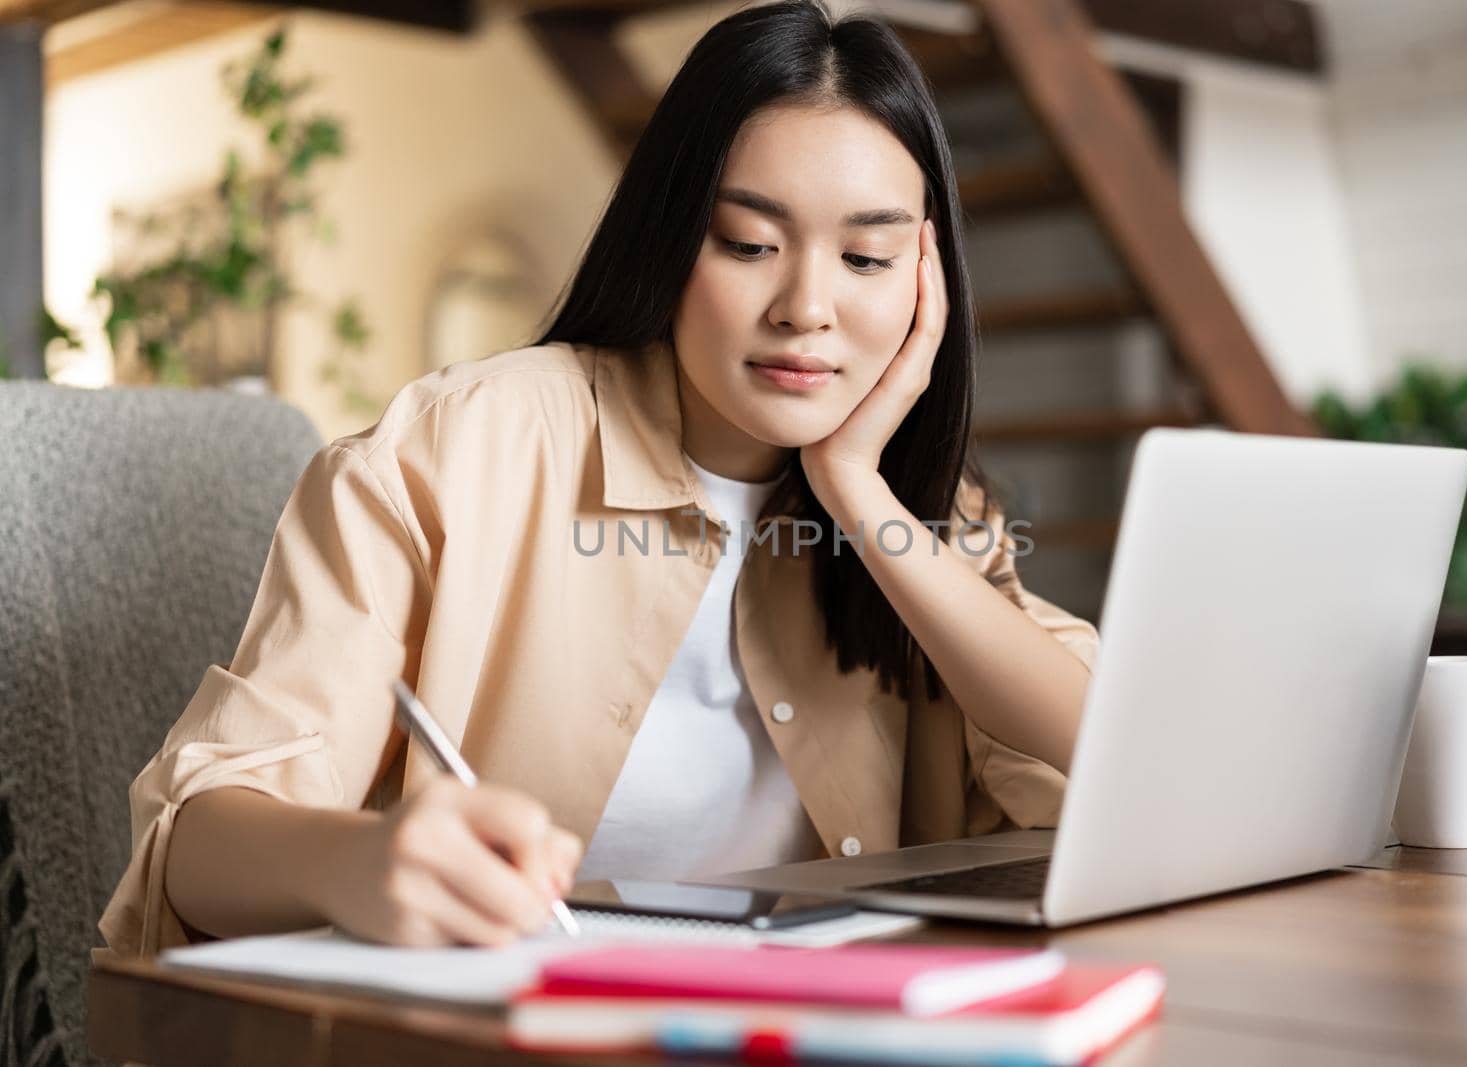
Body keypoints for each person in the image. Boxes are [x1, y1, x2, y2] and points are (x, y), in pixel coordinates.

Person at [99, 0, 1097, 957]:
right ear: (671, 235)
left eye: (868, 257)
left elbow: (1113, 764)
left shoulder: (927, 510)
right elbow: (191, 843)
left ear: (928, 281)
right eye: (748, 243)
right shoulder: (455, 451)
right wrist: (356, 858)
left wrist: (857, 492)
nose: (805, 306)